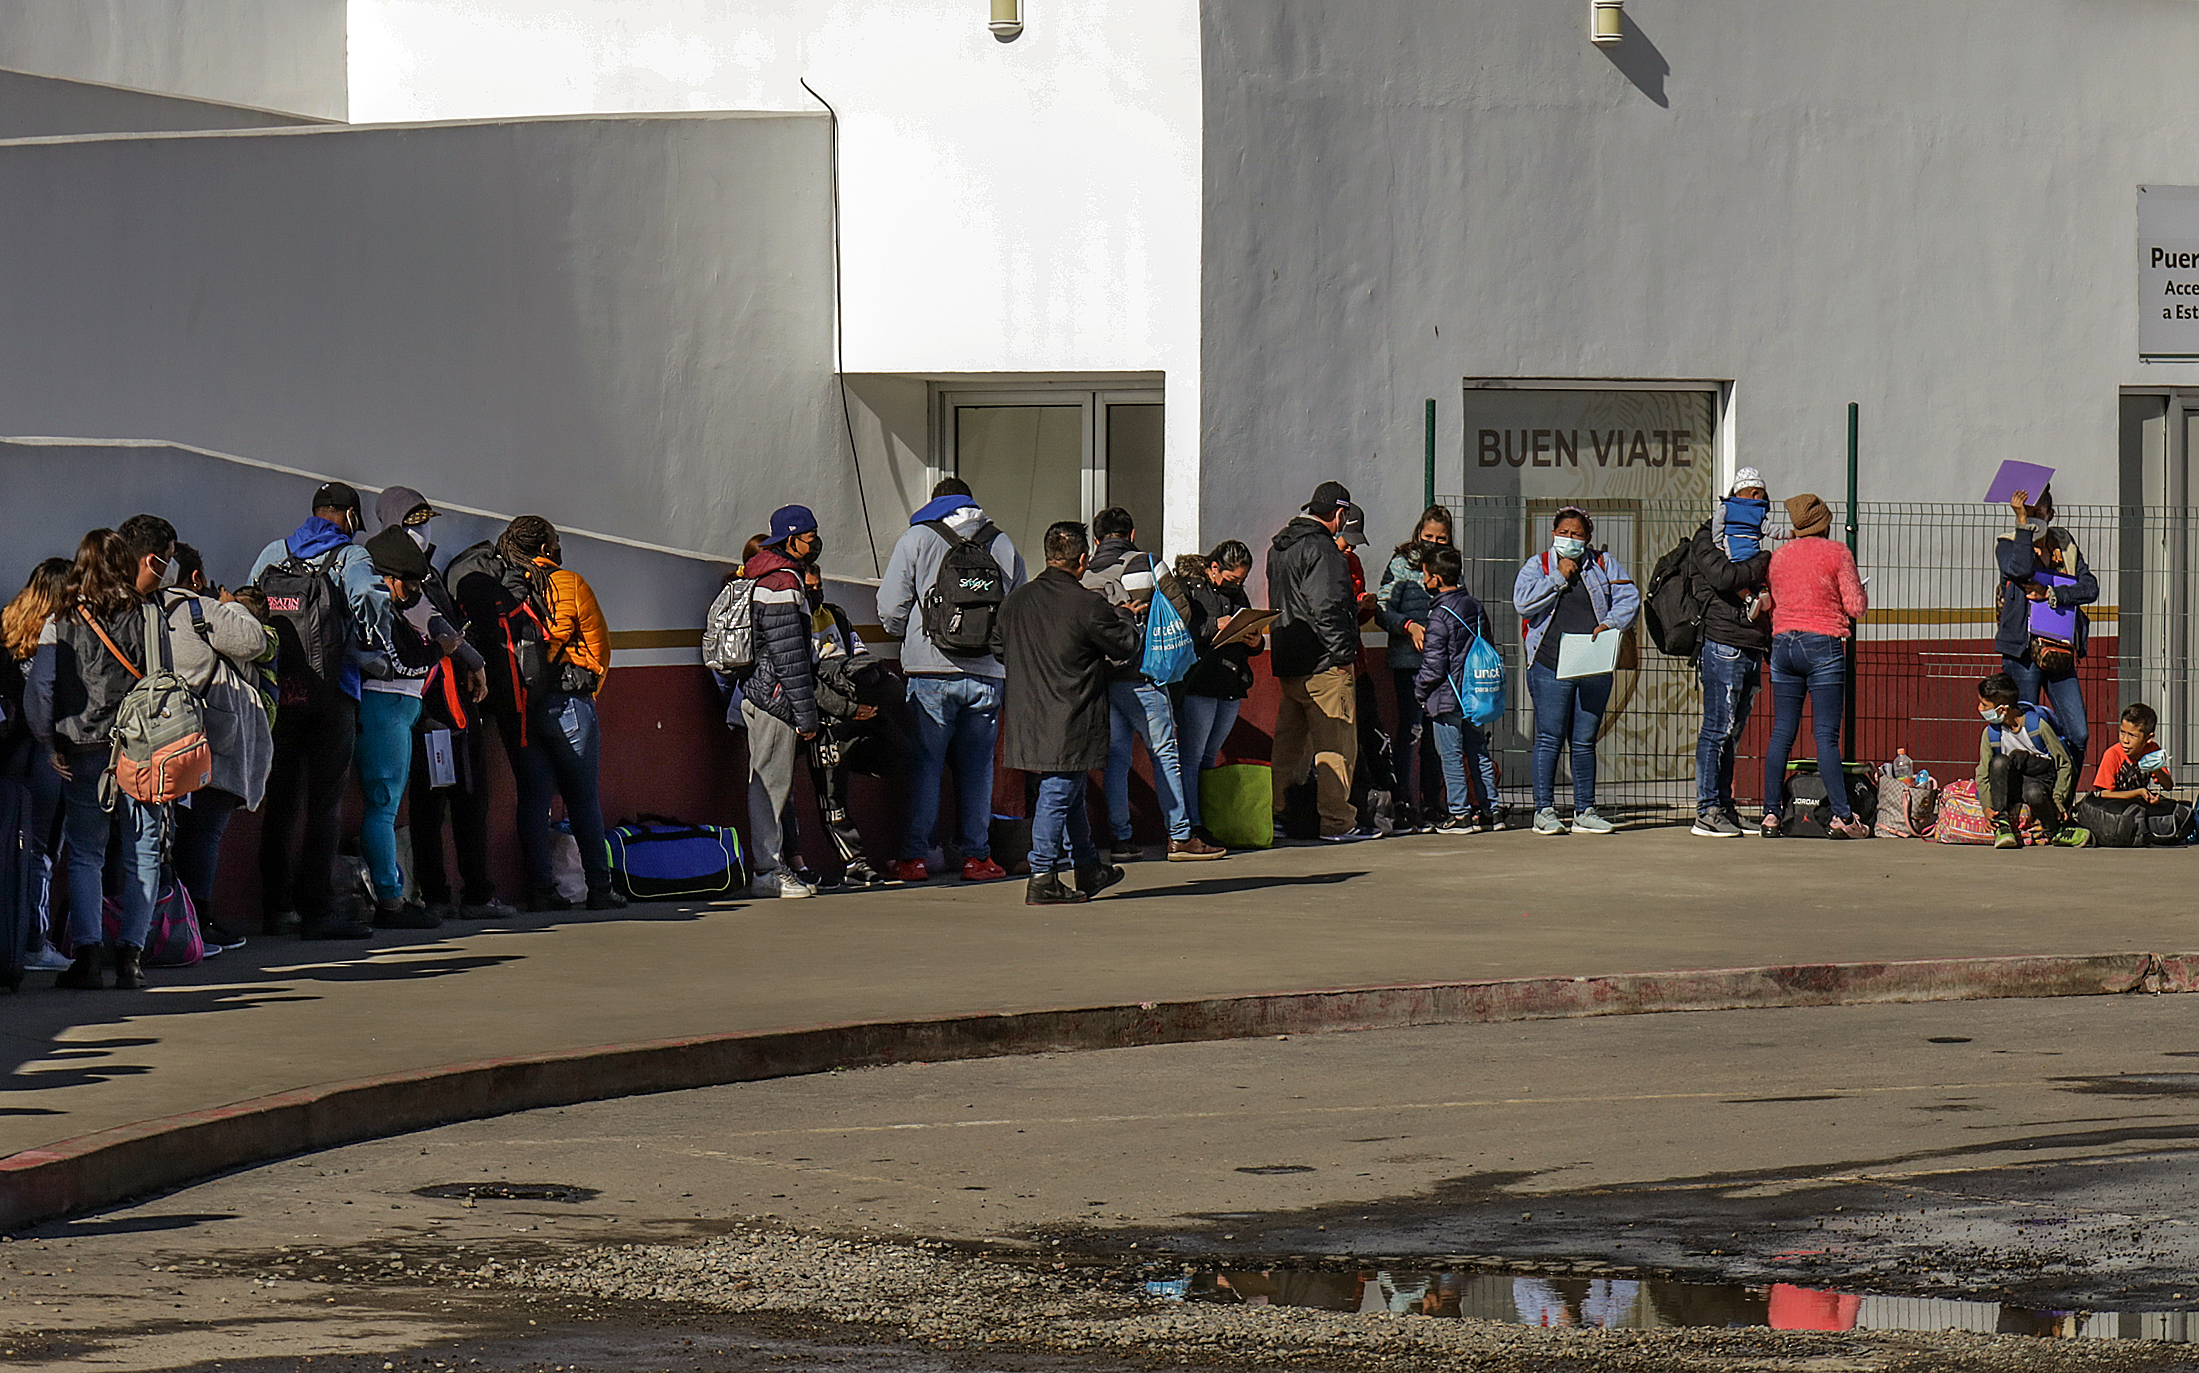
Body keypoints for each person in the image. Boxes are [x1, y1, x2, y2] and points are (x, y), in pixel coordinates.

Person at [25, 520, 178, 989]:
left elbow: (42, 687)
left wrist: (47, 740)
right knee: (143, 853)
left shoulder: (64, 619)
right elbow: (165, 681)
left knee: (87, 853)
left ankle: (88, 957)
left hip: (84, 748)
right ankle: (131, 958)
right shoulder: (149, 615)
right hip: (143, 750)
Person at [249, 481, 384, 939]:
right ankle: (318, 909)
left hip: (281, 695)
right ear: (346, 517)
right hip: (334, 693)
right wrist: (372, 641)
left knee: (282, 801)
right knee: (325, 804)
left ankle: (276, 907)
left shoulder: (274, 552)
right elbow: (369, 599)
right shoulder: (351, 557)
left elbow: (250, 606)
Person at [876, 477, 1026, 885]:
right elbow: (1016, 612)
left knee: (926, 767)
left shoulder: (918, 538)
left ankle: (915, 858)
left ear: (935, 503)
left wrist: (908, 635)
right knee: (979, 770)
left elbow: (890, 609)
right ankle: (977, 858)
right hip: (988, 674)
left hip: (931, 672)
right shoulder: (1003, 544)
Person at [379, 487, 511, 922]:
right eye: (413, 522)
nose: (421, 530)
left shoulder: (430, 575)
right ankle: (437, 893)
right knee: (431, 806)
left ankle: (476, 892)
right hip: (427, 710)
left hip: (456, 709)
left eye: (424, 521)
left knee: (469, 801)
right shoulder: (389, 581)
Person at [1000, 521, 1140, 905]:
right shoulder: (1087, 604)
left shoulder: (1016, 601)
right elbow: (1125, 644)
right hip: (1072, 712)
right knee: (1058, 792)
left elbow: (999, 648)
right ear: (1083, 559)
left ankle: (1088, 865)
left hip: (1029, 713)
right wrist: (1125, 615)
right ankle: (1043, 874)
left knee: (1071, 790)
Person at [357, 525, 490, 926]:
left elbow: (432, 621)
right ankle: (391, 901)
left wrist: (471, 658)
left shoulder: (402, 596)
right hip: (385, 705)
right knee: (383, 804)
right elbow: (406, 660)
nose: (414, 591)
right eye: (409, 583)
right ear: (389, 577)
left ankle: (394, 893)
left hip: (402, 709)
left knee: (390, 803)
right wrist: (443, 650)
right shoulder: (374, 603)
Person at [1086, 507, 1222, 862]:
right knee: (1164, 755)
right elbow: (1182, 612)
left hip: (1103, 679)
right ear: (1131, 535)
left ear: (1097, 540)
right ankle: (1180, 836)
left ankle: (1122, 839)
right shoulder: (1148, 563)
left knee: (1115, 760)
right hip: (1143, 675)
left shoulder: (1085, 574)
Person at [163, 542, 279, 954]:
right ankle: (196, 919)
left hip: (154, 736)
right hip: (208, 736)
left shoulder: (144, 610)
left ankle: (165, 918)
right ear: (196, 578)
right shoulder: (200, 608)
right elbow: (253, 642)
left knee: (162, 833)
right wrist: (233, 606)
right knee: (206, 831)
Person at [513, 516, 624, 910]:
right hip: (568, 703)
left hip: (522, 707)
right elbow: (599, 648)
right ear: (546, 549)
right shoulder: (569, 584)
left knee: (532, 800)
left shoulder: (507, 587)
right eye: (556, 540)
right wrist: (589, 689)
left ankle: (542, 891)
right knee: (583, 800)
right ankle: (599, 888)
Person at [1514, 506, 1639, 836]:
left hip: (1593, 663)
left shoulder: (1602, 564)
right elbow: (1523, 603)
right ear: (1553, 534)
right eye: (1563, 533)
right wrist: (1559, 577)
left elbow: (1629, 597)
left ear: (1588, 538)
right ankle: (1544, 810)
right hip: (1549, 663)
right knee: (1549, 737)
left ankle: (1585, 809)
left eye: (1577, 534)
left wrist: (1610, 623)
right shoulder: (1537, 565)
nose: (1569, 539)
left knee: (1584, 741)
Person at [1760, 493, 1869, 839]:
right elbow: (1855, 607)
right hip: (1822, 643)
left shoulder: (1778, 557)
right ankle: (1842, 816)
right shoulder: (1837, 553)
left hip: (1783, 645)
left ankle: (1770, 815)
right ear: (1825, 524)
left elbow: (1774, 600)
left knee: (1781, 733)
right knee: (1825, 736)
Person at [1267, 480, 1363, 842]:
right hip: (1323, 663)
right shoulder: (1324, 551)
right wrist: (1342, 655)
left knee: (1288, 749)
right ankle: (1337, 821)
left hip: (1288, 658)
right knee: (1336, 747)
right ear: (1340, 514)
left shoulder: (1280, 548)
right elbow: (1329, 606)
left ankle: (1275, 815)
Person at [741, 505, 825, 899]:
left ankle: (771, 868)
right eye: (809, 537)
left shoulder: (766, 575)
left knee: (769, 784)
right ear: (791, 539)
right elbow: (789, 656)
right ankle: (768, 872)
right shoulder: (782, 585)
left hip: (762, 694)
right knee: (770, 787)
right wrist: (806, 716)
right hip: (776, 700)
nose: (814, 543)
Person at [1689, 469, 1775, 838]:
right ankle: (1706, 810)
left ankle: (1724, 805)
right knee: (1717, 728)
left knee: (1734, 732)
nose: (1758, 502)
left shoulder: (1758, 536)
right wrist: (1764, 560)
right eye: (1752, 494)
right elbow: (1726, 577)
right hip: (1723, 640)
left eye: (1762, 496)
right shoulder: (1710, 536)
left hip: (1752, 643)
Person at [1, 558, 73, 972]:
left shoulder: (6, 626)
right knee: (42, 851)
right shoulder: (59, 635)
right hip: (46, 754)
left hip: (8, 755)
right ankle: (34, 940)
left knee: (12, 847)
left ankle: (11, 934)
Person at [802, 563, 892, 889]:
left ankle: (857, 863)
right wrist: (848, 708)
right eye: (808, 588)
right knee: (829, 795)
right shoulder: (793, 621)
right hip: (815, 718)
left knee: (897, 754)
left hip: (850, 718)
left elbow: (859, 655)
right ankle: (853, 862)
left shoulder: (835, 615)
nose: (815, 593)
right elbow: (805, 680)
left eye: (818, 586)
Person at [1997, 486, 2098, 770]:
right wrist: (2023, 527)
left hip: (2059, 649)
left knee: (2078, 733)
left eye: (2038, 510)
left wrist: (2051, 594)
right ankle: (2024, 804)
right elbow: (2019, 570)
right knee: (2023, 732)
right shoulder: (2008, 544)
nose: (2033, 514)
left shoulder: (2065, 546)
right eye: (2027, 510)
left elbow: (2089, 587)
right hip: (2023, 653)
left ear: (2050, 513)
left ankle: (2061, 799)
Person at [1172, 541, 1259, 846]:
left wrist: (1254, 640)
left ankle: (1209, 817)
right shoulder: (1189, 589)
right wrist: (1215, 625)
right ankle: (1193, 825)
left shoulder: (1236, 591)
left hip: (1231, 682)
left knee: (1210, 756)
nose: (1236, 585)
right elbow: (1182, 629)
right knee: (1192, 757)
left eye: (1241, 581)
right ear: (1213, 568)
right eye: (1231, 579)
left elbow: (1249, 627)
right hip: (1199, 682)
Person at [1413, 546, 1501, 833]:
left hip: (1447, 697)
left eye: (1426, 575)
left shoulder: (1439, 615)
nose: (1424, 580)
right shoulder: (1473, 605)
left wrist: (1420, 689)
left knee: (1450, 755)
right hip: (1475, 694)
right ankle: (1492, 812)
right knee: (1478, 752)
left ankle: (1460, 814)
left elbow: (1434, 663)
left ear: (1436, 578)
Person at [1376, 507, 1452, 833]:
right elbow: (1382, 610)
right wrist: (1408, 626)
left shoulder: (1451, 567)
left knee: (1438, 735)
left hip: (1441, 666)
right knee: (1411, 731)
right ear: (1418, 533)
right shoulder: (1400, 566)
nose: (1434, 543)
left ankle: (1433, 802)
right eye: (1429, 537)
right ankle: (1405, 802)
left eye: (1442, 538)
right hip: (1408, 663)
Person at [1976, 671, 2084, 848]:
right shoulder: (1991, 734)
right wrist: (1987, 807)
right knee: (1999, 762)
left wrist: (2058, 799)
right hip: (2012, 782)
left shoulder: (2037, 726)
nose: (1980, 709)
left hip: (2039, 780)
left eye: (1984, 704)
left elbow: (2064, 763)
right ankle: (2002, 826)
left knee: (2034, 793)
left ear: (2002, 709)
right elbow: (1982, 773)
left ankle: (2054, 831)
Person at [2084, 701, 2178, 836]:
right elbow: (2105, 794)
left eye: (2132, 735)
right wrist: (2138, 793)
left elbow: (2168, 785)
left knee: (2172, 808)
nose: (2125, 740)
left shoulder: (2151, 750)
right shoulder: (2113, 754)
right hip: (2115, 809)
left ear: (2148, 738)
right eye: (2122, 732)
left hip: (2138, 806)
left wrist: (2156, 768)